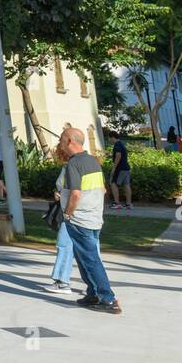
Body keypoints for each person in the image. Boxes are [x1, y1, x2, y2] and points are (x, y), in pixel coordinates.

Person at [59, 126, 121, 315]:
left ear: (70, 141)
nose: (60, 143)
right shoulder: (93, 161)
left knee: (91, 259)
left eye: (62, 139)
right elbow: (102, 190)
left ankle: (108, 298)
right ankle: (93, 293)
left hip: (80, 219)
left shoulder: (73, 164)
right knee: (84, 257)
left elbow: (76, 194)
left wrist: (68, 214)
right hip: (94, 218)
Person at [43, 139, 77, 294]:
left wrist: (60, 196)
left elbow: (71, 191)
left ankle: (62, 282)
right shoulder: (90, 165)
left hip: (69, 213)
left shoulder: (69, 167)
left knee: (64, 246)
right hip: (87, 215)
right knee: (90, 249)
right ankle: (97, 287)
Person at [108, 132, 132, 211]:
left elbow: (118, 155)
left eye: (109, 138)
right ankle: (128, 204)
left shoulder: (117, 145)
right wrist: (111, 156)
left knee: (113, 183)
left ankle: (117, 203)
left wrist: (114, 168)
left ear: (112, 137)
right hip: (126, 168)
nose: (109, 139)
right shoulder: (121, 144)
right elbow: (120, 154)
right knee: (126, 185)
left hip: (120, 168)